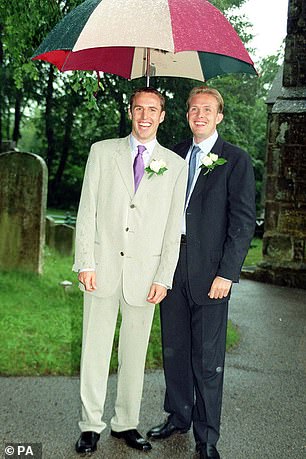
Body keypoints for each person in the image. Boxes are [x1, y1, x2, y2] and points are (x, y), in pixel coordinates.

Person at [73, 87, 187, 455]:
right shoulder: (102, 153)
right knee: (95, 349)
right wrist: (85, 261)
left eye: (152, 109)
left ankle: (125, 423)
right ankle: (90, 425)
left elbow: (174, 228)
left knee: (135, 354)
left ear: (163, 116)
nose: (145, 116)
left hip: (145, 276)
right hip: (102, 269)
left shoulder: (175, 164)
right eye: (139, 108)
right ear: (130, 112)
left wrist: (163, 276)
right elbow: (86, 209)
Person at [147, 86, 256, 459]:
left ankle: (206, 437)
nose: (200, 115)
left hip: (212, 273)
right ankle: (178, 416)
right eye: (194, 109)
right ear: (187, 115)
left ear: (219, 116)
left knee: (208, 359)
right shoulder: (172, 155)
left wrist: (227, 273)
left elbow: (242, 223)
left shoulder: (235, 161)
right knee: (175, 349)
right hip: (170, 266)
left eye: (207, 109)